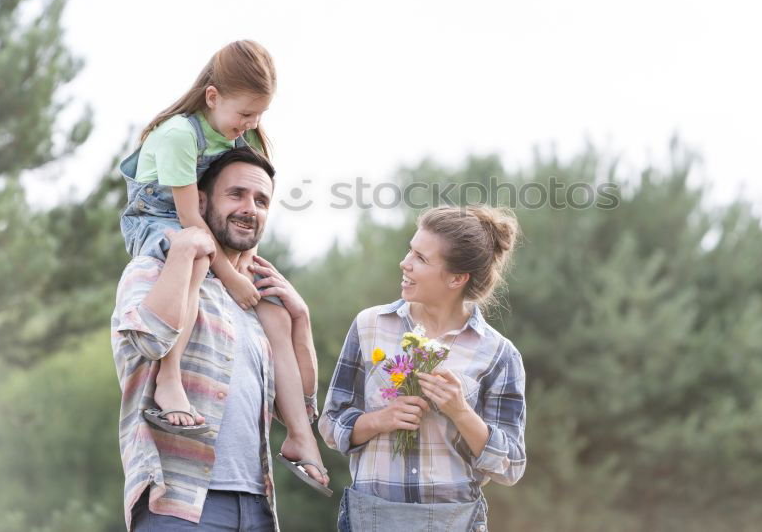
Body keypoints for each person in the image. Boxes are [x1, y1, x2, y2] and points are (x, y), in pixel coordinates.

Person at [117, 40, 327, 496]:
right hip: (161, 220)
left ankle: (299, 434)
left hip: (201, 232)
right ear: (213, 97)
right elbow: (191, 217)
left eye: (258, 116)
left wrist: (251, 272)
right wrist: (230, 276)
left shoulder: (241, 137)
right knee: (192, 248)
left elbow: (252, 191)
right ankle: (169, 380)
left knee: (270, 306)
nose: (250, 126)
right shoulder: (177, 135)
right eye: (245, 114)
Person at [320, 205, 527, 532]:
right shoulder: (369, 325)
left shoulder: (499, 353)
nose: (405, 263)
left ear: (457, 278)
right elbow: (331, 423)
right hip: (371, 518)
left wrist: (461, 413)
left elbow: (510, 465)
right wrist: (379, 420)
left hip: (455, 522)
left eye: (421, 258)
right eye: (410, 250)